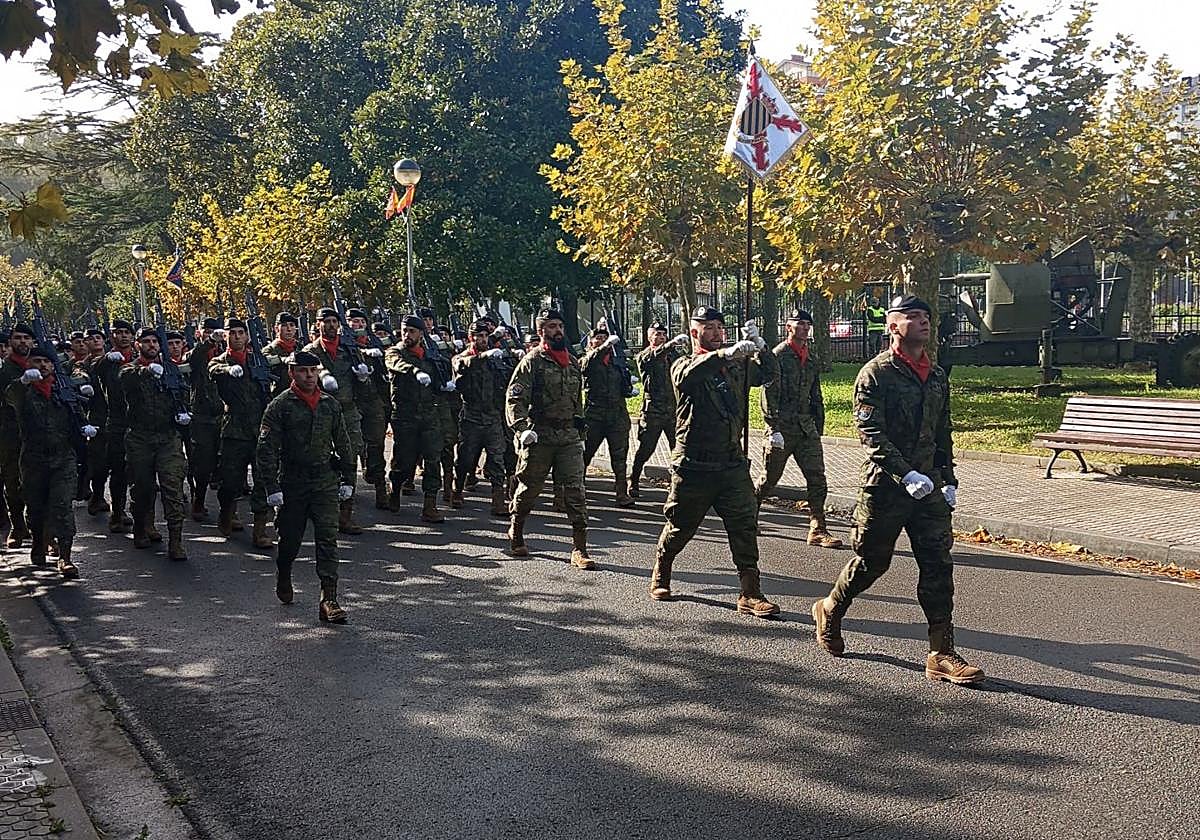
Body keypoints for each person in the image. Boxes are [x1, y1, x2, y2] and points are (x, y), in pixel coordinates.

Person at [811, 294, 983, 685]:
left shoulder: (936, 375)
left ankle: (941, 652)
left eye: (926, 316)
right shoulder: (876, 374)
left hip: (929, 490)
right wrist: (905, 474)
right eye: (913, 316)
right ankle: (831, 608)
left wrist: (948, 476)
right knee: (872, 563)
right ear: (892, 326)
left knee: (938, 565)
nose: (923, 322)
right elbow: (871, 434)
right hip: (886, 488)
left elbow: (942, 432)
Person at [648, 308, 780, 617]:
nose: (717, 332)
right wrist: (726, 355)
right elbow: (690, 375)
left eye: (720, 326)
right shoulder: (682, 365)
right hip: (694, 466)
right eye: (709, 327)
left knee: (744, 526)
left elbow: (769, 375)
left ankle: (750, 592)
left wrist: (760, 346)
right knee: (680, 527)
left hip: (730, 464)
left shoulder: (735, 366)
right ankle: (662, 570)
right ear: (695, 332)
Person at [256, 350, 356, 624]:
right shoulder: (280, 406)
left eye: (313, 371)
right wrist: (271, 487)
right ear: (292, 373)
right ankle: (284, 571)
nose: (309, 376)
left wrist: (349, 479)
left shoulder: (330, 404)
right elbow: (266, 450)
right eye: (303, 371)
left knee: (328, 540)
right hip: (293, 483)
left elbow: (344, 443)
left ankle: (329, 599)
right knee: (290, 541)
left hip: (324, 482)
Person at [505, 308, 591, 568]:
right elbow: (515, 397)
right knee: (529, 488)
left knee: (575, 491)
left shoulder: (572, 361)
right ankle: (517, 530)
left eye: (560, 326)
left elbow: (578, 401)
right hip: (540, 436)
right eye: (552, 326)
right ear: (542, 331)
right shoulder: (533, 361)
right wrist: (521, 429)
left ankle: (580, 548)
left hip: (568, 437)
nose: (558, 331)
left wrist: (581, 431)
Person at [754, 309, 843, 548]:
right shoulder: (778, 356)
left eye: (807, 324)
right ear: (788, 328)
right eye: (799, 324)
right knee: (770, 478)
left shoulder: (811, 359)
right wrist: (772, 427)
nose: (804, 328)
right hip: (782, 428)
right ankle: (748, 515)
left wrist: (818, 425)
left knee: (817, 478)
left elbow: (816, 394)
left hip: (805, 428)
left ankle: (818, 527)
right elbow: (768, 392)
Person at [6, 346, 96, 577]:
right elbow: (10, 397)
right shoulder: (23, 390)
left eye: (47, 362)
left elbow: (76, 411)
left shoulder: (62, 389)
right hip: (33, 459)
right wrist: (23, 382)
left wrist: (84, 425)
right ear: (29, 364)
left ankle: (65, 557)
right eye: (37, 361)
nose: (43, 365)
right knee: (36, 507)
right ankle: (39, 541)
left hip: (63, 458)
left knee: (62, 506)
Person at [120, 327, 190, 561]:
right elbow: (125, 379)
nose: (151, 345)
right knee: (142, 489)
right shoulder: (130, 368)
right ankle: (142, 526)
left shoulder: (171, 369)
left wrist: (183, 412)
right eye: (146, 341)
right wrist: (148, 371)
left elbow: (182, 392)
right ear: (138, 344)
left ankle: (176, 540)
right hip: (140, 438)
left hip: (168, 438)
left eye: (155, 341)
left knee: (173, 489)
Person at [306, 307, 372, 534]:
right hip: (320, 413)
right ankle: (320, 510)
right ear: (318, 325)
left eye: (335, 321)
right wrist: (322, 376)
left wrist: (363, 377)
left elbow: (364, 388)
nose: (331, 325)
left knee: (349, 460)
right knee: (320, 461)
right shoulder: (310, 352)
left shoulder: (350, 350)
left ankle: (345, 514)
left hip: (348, 413)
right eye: (327, 321)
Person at [209, 317, 273, 549]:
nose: (237, 336)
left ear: (247, 336)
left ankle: (260, 530)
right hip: (234, 431)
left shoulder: (259, 360)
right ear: (224, 336)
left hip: (260, 429)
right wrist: (228, 369)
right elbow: (213, 369)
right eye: (232, 333)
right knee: (230, 483)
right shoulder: (219, 361)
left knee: (263, 481)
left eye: (240, 332)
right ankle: (226, 513)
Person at [385, 315, 447, 523]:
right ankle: (395, 488)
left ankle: (430, 505)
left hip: (430, 415)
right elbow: (395, 364)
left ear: (421, 333)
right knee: (405, 460)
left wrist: (445, 384)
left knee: (432, 458)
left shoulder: (430, 354)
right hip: (405, 415)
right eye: (404, 331)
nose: (407, 335)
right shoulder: (395, 352)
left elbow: (441, 376)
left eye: (412, 331)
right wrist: (414, 371)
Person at [451, 319, 508, 516]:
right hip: (471, 417)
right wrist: (483, 356)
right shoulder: (463, 357)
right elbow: (461, 365)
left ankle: (498, 499)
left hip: (492, 417)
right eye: (478, 336)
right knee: (466, 458)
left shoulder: (494, 359)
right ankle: (457, 490)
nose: (482, 339)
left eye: (485, 336)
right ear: (471, 338)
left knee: (497, 458)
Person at [629, 323, 687, 497]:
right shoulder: (644, 356)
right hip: (653, 411)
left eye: (663, 334)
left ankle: (679, 485)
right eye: (657, 334)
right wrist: (670, 345)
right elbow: (654, 356)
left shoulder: (672, 356)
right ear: (649, 337)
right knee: (646, 448)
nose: (661, 337)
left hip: (672, 411)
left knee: (678, 449)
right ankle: (634, 479)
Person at [580, 325, 636, 507]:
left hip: (617, 415)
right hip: (594, 415)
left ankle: (622, 492)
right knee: (585, 455)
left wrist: (629, 387)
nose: (602, 340)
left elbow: (624, 383)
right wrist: (602, 348)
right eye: (598, 338)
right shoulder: (588, 359)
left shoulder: (616, 361)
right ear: (591, 341)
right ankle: (576, 489)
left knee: (619, 457)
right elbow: (584, 367)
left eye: (605, 337)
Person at [93, 319, 137, 534]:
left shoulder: (141, 359)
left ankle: (141, 518)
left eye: (126, 332)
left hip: (140, 422)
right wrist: (106, 359)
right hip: (117, 422)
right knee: (118, 470)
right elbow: (92, 369)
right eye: (118, 333)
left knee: (139, 472)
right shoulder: (107, 361)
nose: (123, 336)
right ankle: (117, 512)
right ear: (111, 337)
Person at [347, 308, 390, 509]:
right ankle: (347, 495)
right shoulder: (343, 346)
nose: (358, 325)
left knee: (376, 445)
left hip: (373, 402)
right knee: (348, 449)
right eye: (353, 322)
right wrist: (363, 354)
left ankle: (381, 489)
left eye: (360, 321)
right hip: (350, 402)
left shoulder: (375, 344)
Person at [184, 318, 224, 522]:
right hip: (202, 416)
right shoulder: (196, 354)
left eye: (215, 331)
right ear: (199, 333)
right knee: (203, 463)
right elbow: (192, 357)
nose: (212, 334)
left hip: (225, 415)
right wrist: (209, 342)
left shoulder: (225, 354)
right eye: (207, 331)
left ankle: (229, 509)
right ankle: (198, 498)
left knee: (229, 463)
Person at [0, 323, 35, 548]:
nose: (22, 342)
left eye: (26, 338)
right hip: (10, 435)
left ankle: (45, 533)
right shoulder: (4, 371)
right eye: (18, 338)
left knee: (42, 484)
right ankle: (18, 525)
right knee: (13, 484)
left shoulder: (43, 364)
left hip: (39, 434)